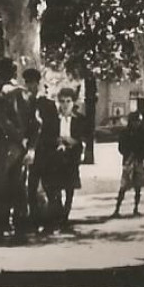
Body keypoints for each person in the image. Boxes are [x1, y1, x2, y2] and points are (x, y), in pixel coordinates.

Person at [0, 58, 33, 239]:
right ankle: (21, 227)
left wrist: (16, 138)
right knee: (18, 187)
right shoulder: (23, 93)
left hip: (4, 146)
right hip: (20, 146)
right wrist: (27, 143)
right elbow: (35, 121)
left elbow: (4, 122)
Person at [23, 69, 64, 235]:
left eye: (32, 82)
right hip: (38, 151)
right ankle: (37, 221)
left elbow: (51, 128)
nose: (30, 85)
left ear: (37, 82)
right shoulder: (29, 102)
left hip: (45, 151)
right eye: (27, 82)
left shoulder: (45, 103)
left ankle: (52, 223)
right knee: (32, 187)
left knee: (49, 187)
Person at [54, 88, 88, 230]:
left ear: (73, 102)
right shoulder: (54, 118)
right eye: (62, 101)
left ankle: (65, 217)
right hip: (56, 156)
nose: (65, 104)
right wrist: (58, 142)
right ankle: (58, 214)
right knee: (55, 188)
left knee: (69, 188)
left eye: (68, 101)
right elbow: (49, 136)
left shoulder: (79, 119)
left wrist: (70, 141)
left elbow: (82, 139)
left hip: (72, 157)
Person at [113, 107, 144, 217]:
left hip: (138, 160)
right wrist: (128, 153)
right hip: (128, 161)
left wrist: (142, 155)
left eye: (139, 121)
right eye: (136, 121)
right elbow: (121, 147)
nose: (138, 123)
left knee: (138, 186)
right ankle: (117, 209)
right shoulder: (125, 133)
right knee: (124, 186)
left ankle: (135, 208)